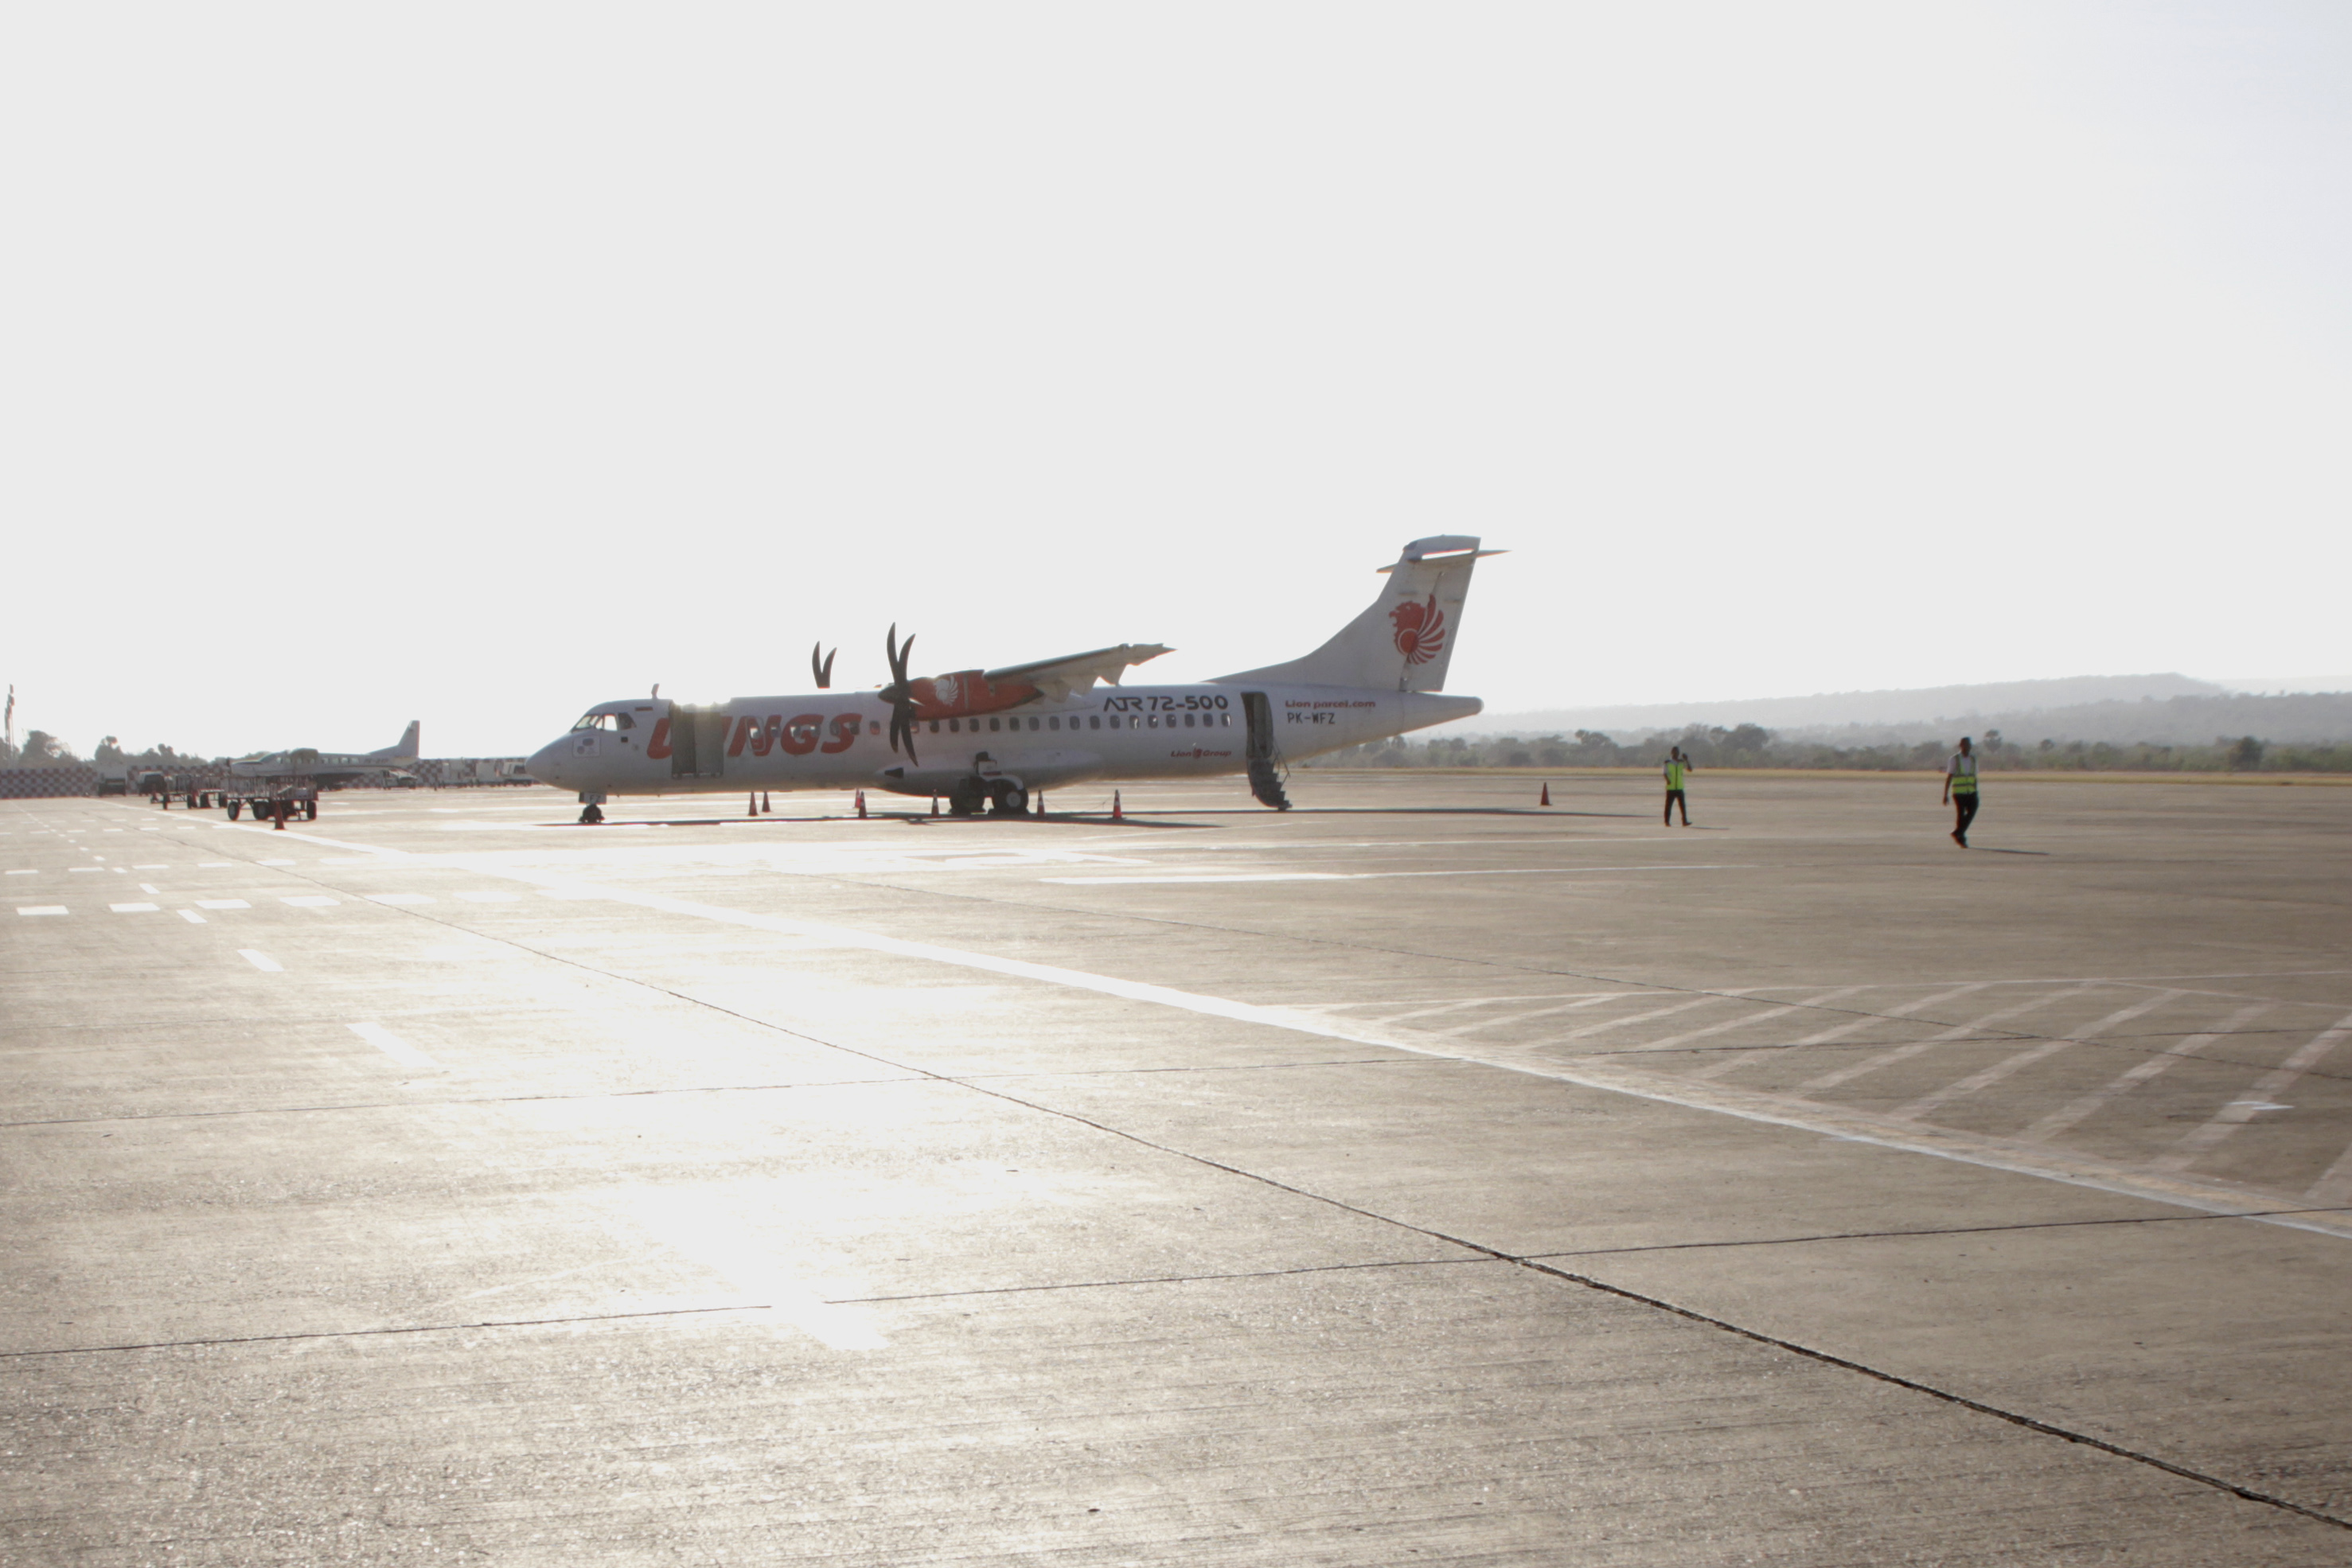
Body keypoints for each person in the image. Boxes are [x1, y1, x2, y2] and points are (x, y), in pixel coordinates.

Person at [1943, 735, 1980, 847]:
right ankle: (1961, 838)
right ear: (1961, 746)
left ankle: (1958, 832)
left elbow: (1974, 776)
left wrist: (1976, 790)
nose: (1967, 747)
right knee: (1961, 815)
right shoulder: (1955, 759)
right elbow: (1949, 777)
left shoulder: (1973, 759)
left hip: (1971, 792)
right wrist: (1946, 794)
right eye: (1965, 745)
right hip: (1959, 793)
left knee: (1972, 811)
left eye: (1969, 745)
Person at [1662, 746, 1691, 826]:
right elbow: (1664, 773)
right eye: (1675, 752)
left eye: (1678, 752)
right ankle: (1667, 821)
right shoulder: (1668, 763)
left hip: (1679, 787)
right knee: (1668, 806)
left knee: (1682, 806)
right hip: (1671, 787)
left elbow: (1690, 769)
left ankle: (1684, 821)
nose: (1677, 753)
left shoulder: (1681, 762)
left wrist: (1686, 760)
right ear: (1672, 752)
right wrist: (1668, 780)